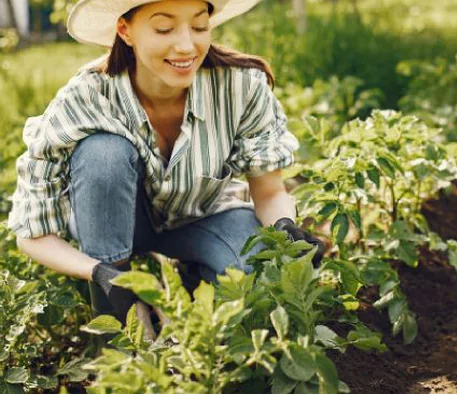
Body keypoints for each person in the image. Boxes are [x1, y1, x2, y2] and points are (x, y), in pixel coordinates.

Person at [7, 0, 326, 325]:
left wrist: (284, 227)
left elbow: (270, 192)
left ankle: (191, 283)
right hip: (113, 223)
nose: (187, 45)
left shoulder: (240, 87)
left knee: (251, 274)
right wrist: (100, 272)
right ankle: (117, 323)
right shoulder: (88, 97)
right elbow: (32, 234)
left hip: (202, 216)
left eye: (200, 26)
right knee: (102, 153)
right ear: (125, 30)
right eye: (164, 28)